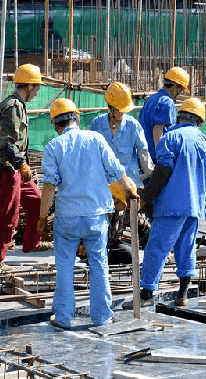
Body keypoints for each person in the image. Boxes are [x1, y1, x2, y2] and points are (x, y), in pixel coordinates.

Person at [38, 98, 138, 329]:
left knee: (64, 267)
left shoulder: (54, 146)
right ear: (77, 119)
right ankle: (102, 316)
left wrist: (42, 219)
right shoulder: (96, 139)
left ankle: (63, 317)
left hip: (68, 217)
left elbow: (49, 186)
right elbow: (117, 171)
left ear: (56, 123)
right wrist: (130, 191)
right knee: (99, 264)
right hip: (96, 215)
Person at [125, 98, 206, 309]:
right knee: (186, 249)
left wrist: (145, 197)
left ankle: (147, 293)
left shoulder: (171, 138)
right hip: (194, 207)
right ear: (200, 120)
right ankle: (182, 294)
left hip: (171, 206)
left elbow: (162, 173)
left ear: (180, 116)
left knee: (157, 248)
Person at [0, 64, 50, 274]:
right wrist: (22, 164)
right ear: (28, 86)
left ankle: (31, 243)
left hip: (16, 166)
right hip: (8, 168)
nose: (37, 92)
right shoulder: (13, 107)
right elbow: (7, 142)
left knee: (36, 201)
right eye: (36, 87)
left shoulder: (18, 105)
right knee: (8, 215)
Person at [89, 82, 153, 185]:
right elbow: (90, 154)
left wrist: (151, 174)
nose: (121, 112)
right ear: (110, 106)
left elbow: (143, 153)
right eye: (118, 109)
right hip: (103, 185)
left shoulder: (133, 126)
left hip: (128, 185)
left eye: (123, 110)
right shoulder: (97, 124)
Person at [138, 66, 190, 161]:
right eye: (181, 90)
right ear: (175, 87)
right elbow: (157, 131)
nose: (180, 93)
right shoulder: (167, 102)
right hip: (154, 157)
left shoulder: (152, 98)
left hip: (143, 154)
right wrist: (161, 158)